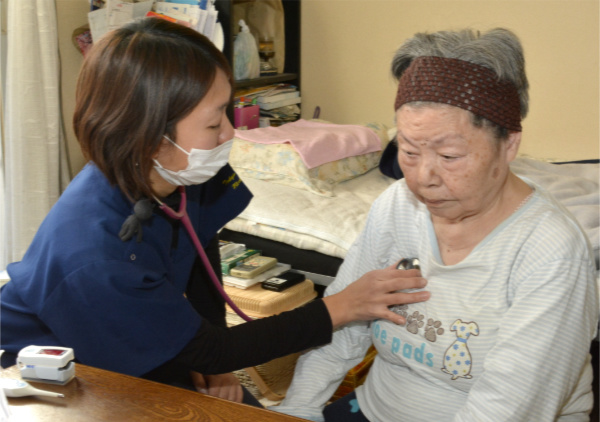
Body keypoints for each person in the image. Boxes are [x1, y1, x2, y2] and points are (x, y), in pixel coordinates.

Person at [0, 18, 431, 406]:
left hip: (145, 332)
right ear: (151, 138)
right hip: (49, 367)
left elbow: (199, 255)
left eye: (227, 111)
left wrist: (214, 358)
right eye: (213, 123)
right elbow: (208, 350)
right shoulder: (95, 255)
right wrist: (340, 307)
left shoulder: (181, 170)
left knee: (237, 401)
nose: (231, 132)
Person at [274, 28, 598, 421]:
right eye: (409, 151)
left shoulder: (550, 250)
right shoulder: (398, 205)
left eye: (449, 156)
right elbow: (344, 323)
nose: (423, 178)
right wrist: (295, 412)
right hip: (378, 407)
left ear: (509, 144)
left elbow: (506, 409)